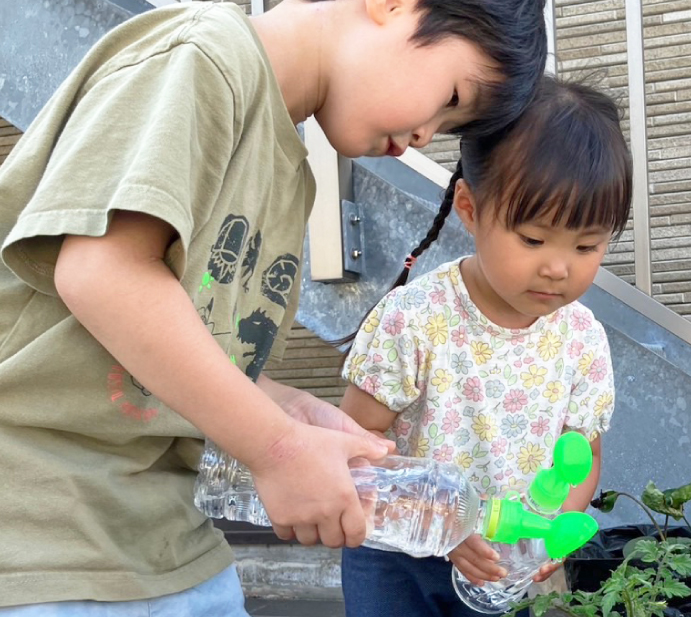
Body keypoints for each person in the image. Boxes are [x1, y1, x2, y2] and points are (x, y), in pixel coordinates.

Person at [0, 0, 546, 612]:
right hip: (41, 534)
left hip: (165, 543)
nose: (425, 136)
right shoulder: (205, 55)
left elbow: (173, 353)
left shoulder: (289, 175)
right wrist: (277, 449)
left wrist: (295, 415)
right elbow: (103, 271)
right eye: (449, 98)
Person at [336, 75, 632, 617]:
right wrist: (440, 523)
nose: (558, 267)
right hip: (400, 556)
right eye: (533, 239)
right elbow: (357, 444)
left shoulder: (582, 337)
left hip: (507, 562)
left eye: (588, 244)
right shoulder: (416, 319)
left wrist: (550, 535)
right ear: (470, 210)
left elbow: (582, 452)